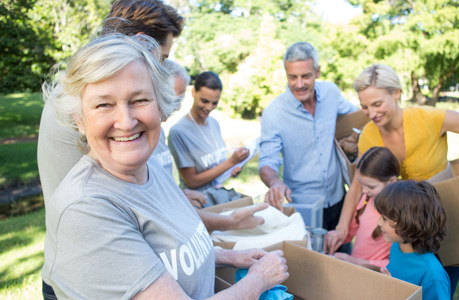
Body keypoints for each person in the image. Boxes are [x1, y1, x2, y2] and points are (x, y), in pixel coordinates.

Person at [41, 34, 288, 299]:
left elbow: (168, 256)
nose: (125, 122)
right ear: (79, 119)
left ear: (160, 106)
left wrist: (229, 256)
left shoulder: (149, 168)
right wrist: (259, 280)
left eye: (139, 100)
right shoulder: (86, 209)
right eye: (104, 104)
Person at [37, 0, 265, 232]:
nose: (162, 69)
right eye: (163, 58)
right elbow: (136, 208)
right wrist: (229, 222)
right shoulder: (87, 100)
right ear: (140, 44)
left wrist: (169, 192)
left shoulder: (87, 88)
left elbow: (139, 191)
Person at [326, 63, 459, 297]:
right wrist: (341, 228)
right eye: (365, 107)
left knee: (438, 284)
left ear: (396, 93)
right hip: (402, 236)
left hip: (440, 225)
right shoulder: (369, 133)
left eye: (377, 104)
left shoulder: (429, 118)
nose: (371, 113)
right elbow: (358, 185)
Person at [258, 42, 358, 232]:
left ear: (317, 72)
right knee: (311, 260)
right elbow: (266, 163)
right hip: (303, 208)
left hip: (339, 200)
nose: (299, 84)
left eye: (306, 76)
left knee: (344, 257)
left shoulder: (331, 93)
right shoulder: (274, 113)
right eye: (292, 77)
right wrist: (275, 182)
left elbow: (357, 120)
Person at [168, 71, 249, 192]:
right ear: (194, 92)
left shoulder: (214, 123)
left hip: (218, 194)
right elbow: (192, 181)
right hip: (199, 203)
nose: (209, 108)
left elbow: (217, 167)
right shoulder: (178, 132)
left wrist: (231, 169)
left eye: (214, 103)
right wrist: (231, 162)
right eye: (204, 101)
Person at [375, 180, 450, 300]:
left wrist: (394, 293)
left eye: (384, 218)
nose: (378, 222)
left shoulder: (432, 276)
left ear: (409, 222)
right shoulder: (396, 246)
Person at [333, 147, 398, 270]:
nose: (363, 190)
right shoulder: (367, 200)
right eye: (361, 184)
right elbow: (349, 233)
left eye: (371, 186)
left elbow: (394, 264)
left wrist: (357, 262)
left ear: (392, 181)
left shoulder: (397, 217)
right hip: (356, 269)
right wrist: (334, 236)